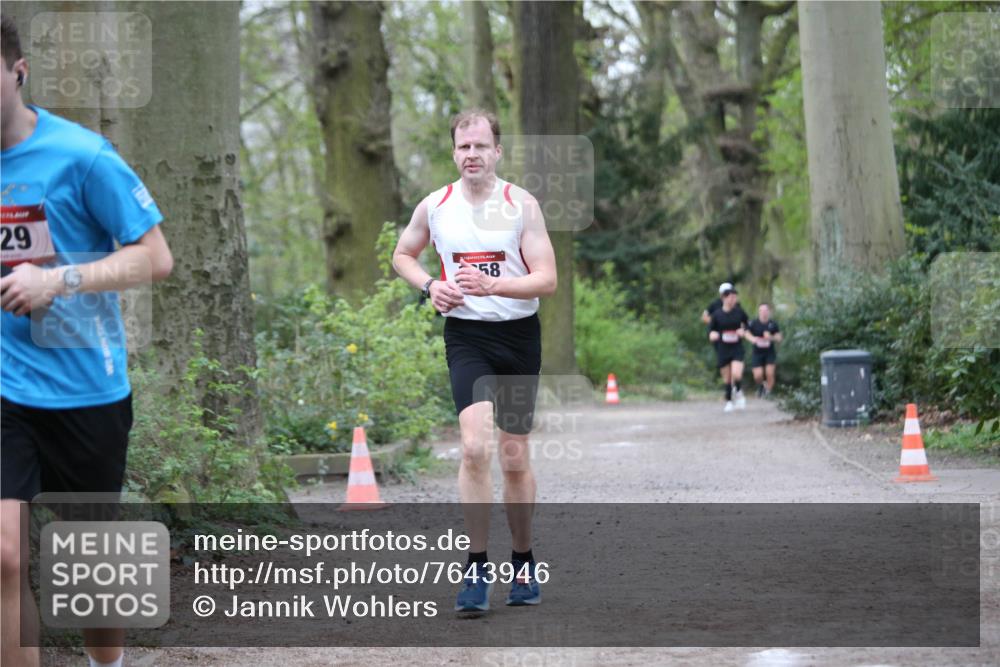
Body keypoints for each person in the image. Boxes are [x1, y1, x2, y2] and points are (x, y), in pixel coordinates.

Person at [1, 16, 173, 667]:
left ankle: (110, 662)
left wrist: (60, 280)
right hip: (5, 387)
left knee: (90, 564)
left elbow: (155, 258)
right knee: (5, 552)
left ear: (18, 72)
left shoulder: (83, 155)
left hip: (84, 387)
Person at [392, 109, 557, 612]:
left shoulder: (520, 205)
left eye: (480, 146)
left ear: (497, 152)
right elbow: (403, 254)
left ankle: (523, 561)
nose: (472, 155)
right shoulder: (435, 206)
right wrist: (430, 287)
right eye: (463, 147)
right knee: (471, 449)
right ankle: (477, 567)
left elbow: (546, 279)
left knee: (513, 457)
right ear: (454, 153)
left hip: (517, 337)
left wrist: (494, 285)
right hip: (467, 338)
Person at [708, 288, 750, 412]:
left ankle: (738, 391)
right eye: (731, 297)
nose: (733, 300)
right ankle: (729, 401)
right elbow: (711, 331)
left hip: (736, 347)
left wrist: (744, 330)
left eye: (735, 297)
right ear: (724, 298)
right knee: (727, 378)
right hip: (723, 348)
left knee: (736, 373)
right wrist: (712, 335)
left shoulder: (739, 312)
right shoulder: (717, 314)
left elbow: (747, 324)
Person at [748, 303, 783, 398]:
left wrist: (770, 337)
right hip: (757, 352)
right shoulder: (753, 323)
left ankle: (768, 392)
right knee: (757, 375)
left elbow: (779, 338)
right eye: (761, 311)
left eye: (765, 310)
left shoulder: (773, 324)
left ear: (769, 312)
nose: (764, 313)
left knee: (770, 373)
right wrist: (752, 339)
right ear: (759, 312)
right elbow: (746, 333)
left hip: (769, 353)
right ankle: (762, 386)